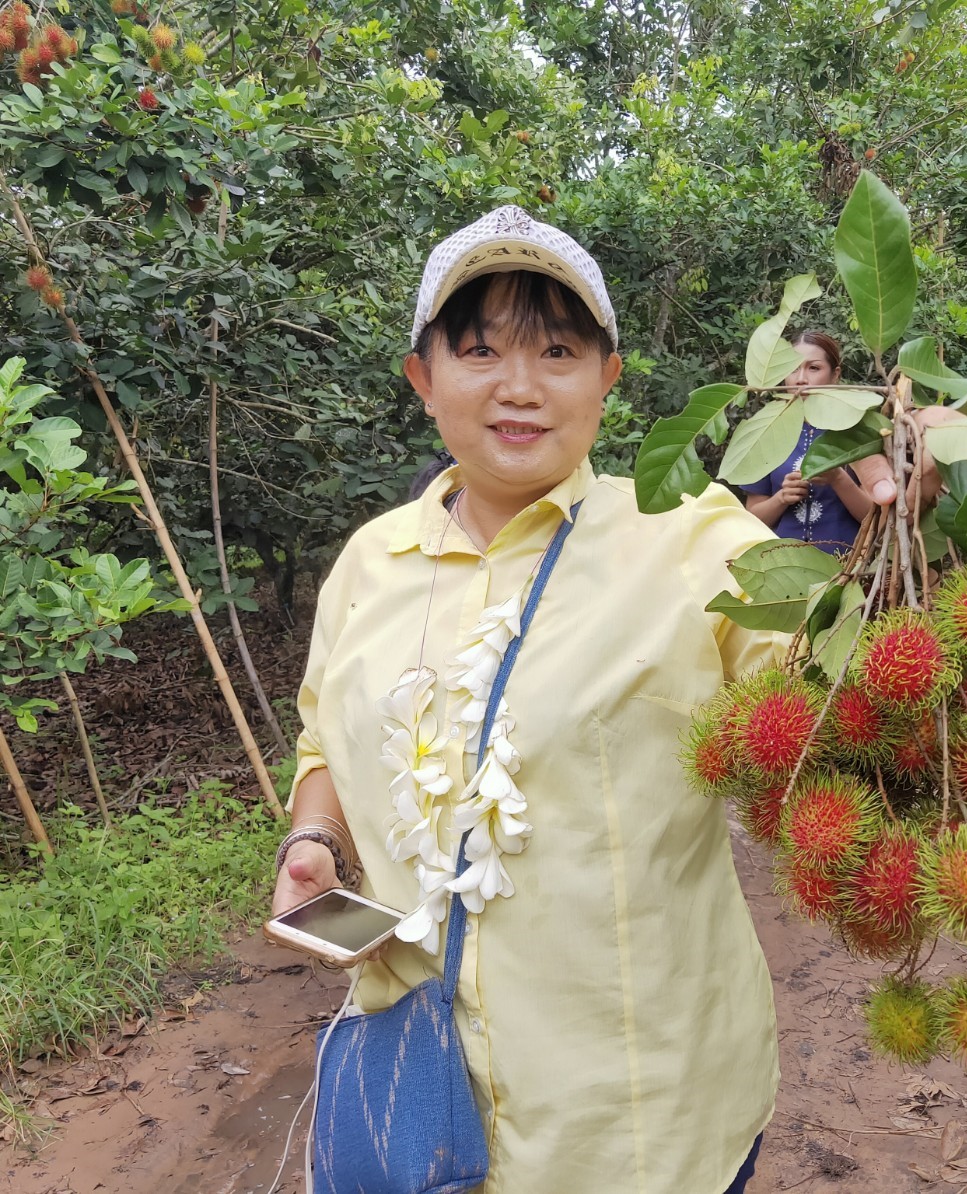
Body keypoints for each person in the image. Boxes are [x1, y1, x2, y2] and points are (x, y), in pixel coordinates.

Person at [270, 206, 930, 1194]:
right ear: (423, 378)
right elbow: (323, 736)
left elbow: (838, 682)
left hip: (639, 1123)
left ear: (607, 376)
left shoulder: (691, 539)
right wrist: (314, 841)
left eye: (558, 350)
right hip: (416, 1088)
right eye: (480, 350)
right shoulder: (370, 562)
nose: (520, 386)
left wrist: (902, 528)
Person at [741, 331, 875, 552]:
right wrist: (781, 498)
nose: (801, 378)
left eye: (813, 368)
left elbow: (876, 519)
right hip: (781, 564)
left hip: (847, 566)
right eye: (793, 368)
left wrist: (839, 479)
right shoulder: (765, 432)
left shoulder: (858, 430)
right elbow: (751, 520)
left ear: (835, 374)